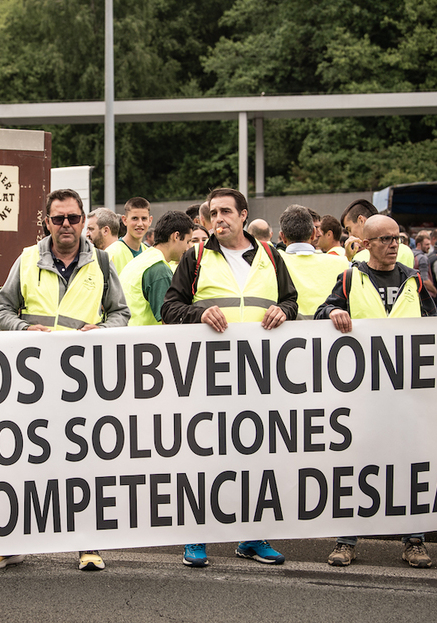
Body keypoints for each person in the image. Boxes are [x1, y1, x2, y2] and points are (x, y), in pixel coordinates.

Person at [314, 215, 437, 568]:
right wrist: (332, 311)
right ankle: (346, 540)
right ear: (366, 244)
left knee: (411, 466)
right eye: (385, 239)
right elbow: (321, 314)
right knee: (356, 465)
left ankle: (414, 540)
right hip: (363, 394)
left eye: (397, 238)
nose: (394, 245)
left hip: (408, 393)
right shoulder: (350, 278)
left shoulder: (413, 279)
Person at [0, 188, 129, 572]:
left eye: (73, 217)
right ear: (46, 222)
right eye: (58, 218)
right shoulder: (27, 259)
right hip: (32, 382)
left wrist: (102, 331)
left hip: (82, 383)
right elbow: (1, 308)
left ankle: (88, 544)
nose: (66, 224)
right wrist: (23, 329)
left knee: (82, 463)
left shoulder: (102, 262)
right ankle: (12, 544)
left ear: (84, 221)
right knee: (24, 462)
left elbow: (120, 313)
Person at [161, 187, 297, 568]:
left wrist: (285, 311)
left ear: (243, 215)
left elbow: (291, 300)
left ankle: (252, 537)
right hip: (208, 376)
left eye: (225, 212)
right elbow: (169, 307)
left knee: (255, 457)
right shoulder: (196, 257)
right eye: (213, 213)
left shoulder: (271, 255)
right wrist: (199, 313)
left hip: (259, 375)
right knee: (204, 457)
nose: (217, 219)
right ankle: (196, 536)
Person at [120, 211, 193, 325]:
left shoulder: (141, 261)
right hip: (143, 334)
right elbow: (169, 320)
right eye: (188, 241)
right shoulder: (159, 269)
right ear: (176, 236)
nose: (189, 247)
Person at [278, 205, 348, 318]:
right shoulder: (342, 263)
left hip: (289, 327)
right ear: (314, 234)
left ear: (282, 237)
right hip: (331, 327)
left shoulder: (272, 262)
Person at [341, 199, 415, 268]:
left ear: (361, 221)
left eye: (350, 230)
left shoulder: (362, 257)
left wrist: (348, 258)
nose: (350, 236)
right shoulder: (406, 251)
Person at [107, 197, 152, 273]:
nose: (140, 224)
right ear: (125, 220)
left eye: (144, 218)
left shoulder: (149, 254)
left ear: (150, 221)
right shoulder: (111, 253)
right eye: (135, 218)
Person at [412, 231, 437, 299]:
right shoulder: (422, 258)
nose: (429, 247)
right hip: (424, 295)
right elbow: (425, 280)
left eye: (429, 244)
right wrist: (435, 291)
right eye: (426, 244)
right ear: (418, 245)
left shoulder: (411, 255)